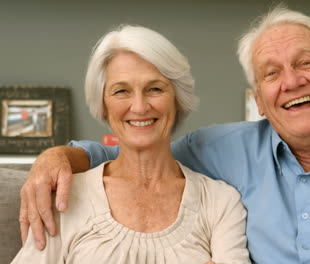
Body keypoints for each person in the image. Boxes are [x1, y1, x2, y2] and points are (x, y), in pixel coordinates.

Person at [20, 6, 310, 264]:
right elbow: (136, 150)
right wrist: (58, 158)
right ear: (260, 95)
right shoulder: (221, 152)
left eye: (305, 63)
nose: (291, 82)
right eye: (272, 73)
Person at [13, 24, 250, 263]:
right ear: (104, 105)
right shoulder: (65, 197)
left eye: (155, 89)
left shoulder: (220, 202)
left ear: (177, 100)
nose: (139, 107)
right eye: (121, 91)